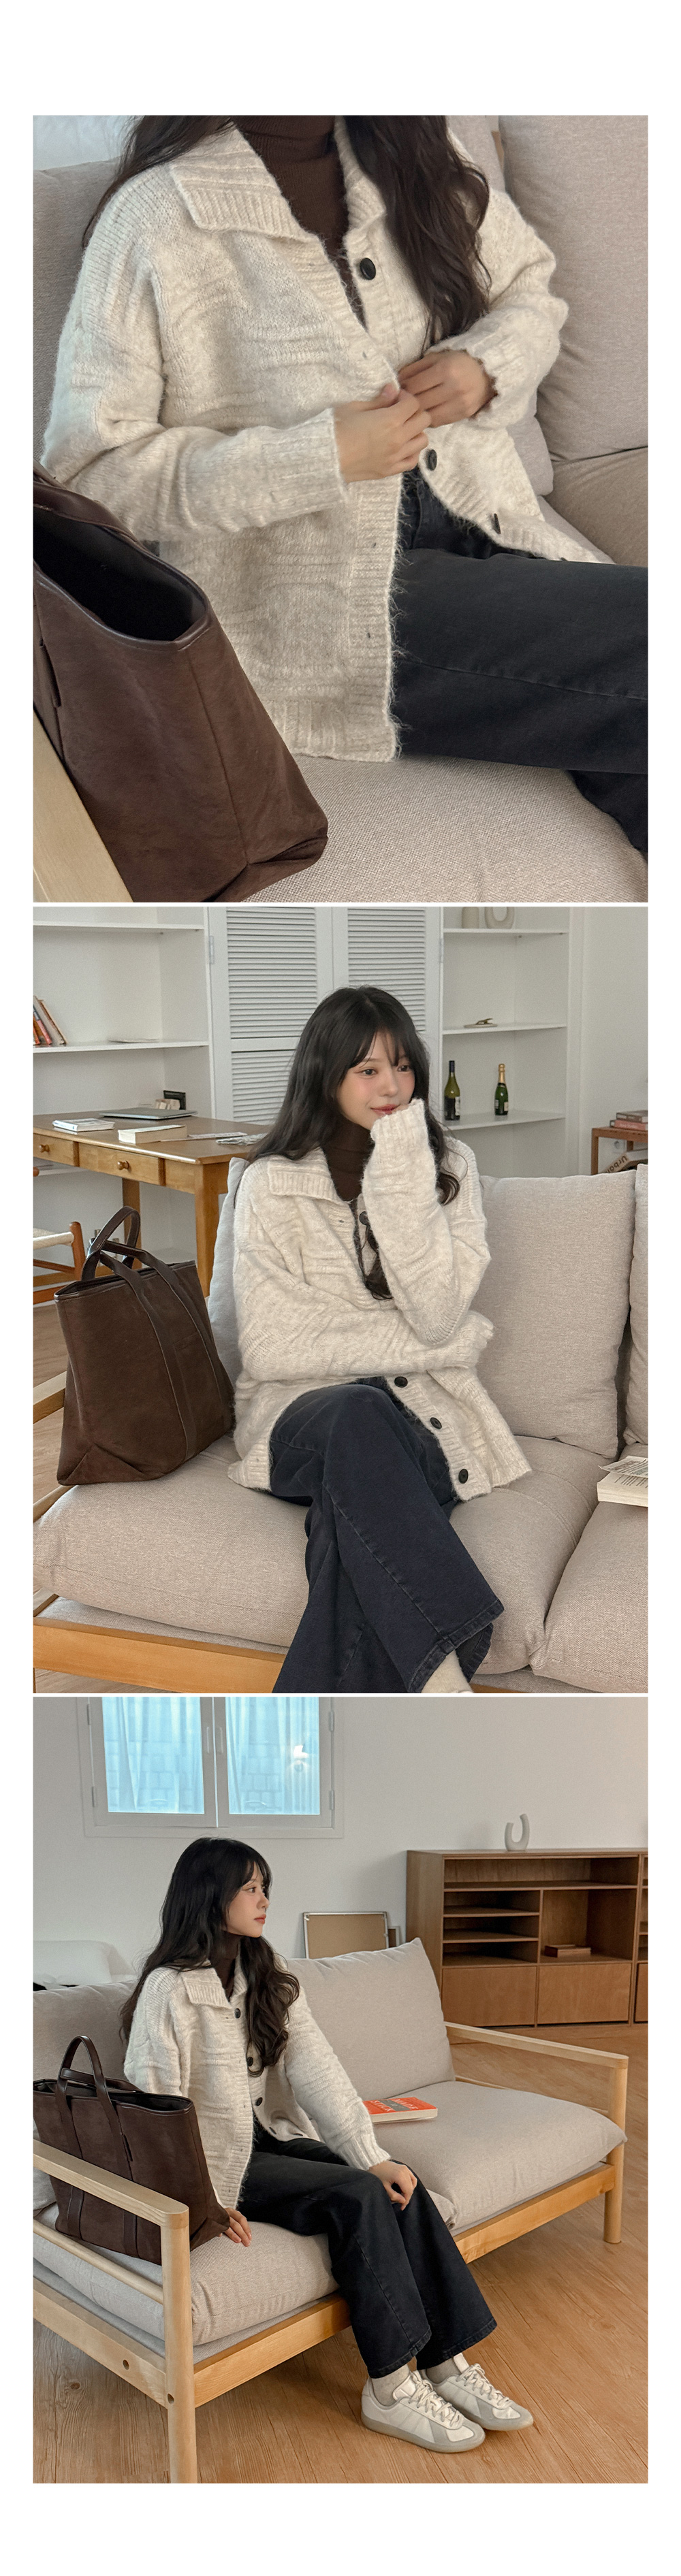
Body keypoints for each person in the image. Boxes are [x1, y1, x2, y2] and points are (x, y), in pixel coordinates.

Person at [43, 116, 647, 855]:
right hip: (323, 599)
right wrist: (317, 455)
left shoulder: (416, 152)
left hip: (486, 522)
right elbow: (91, 475)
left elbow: (529, 291)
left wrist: (485, 365)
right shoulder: (159, 215)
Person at [123, 1836, 533, 2452]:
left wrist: (373, 2155)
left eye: (265, 1887)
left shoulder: (266, 1969)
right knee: (358, 2196)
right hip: (217, 2167)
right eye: (250, 1888)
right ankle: (390, 2387)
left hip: (270, 2140)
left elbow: (319, 2070)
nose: (264, 1899)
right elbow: (154, 2110)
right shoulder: (170, 1989)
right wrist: (202, 2202)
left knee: (398, 2182)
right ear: (210, 1895)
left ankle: (448, 2365)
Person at [226, 982, 528, 1693]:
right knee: (355, 1410)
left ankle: (426, 1688)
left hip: (421, 1419)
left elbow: (436, 1314)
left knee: (347, 1523)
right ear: (325, 1074)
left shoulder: (450, 1168)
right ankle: (446, 1670)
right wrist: (440, 1348)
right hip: (300, 1417)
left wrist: (400, 1175)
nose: (392, 1086)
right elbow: (273, 1345)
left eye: (403, 1065)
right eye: (367, 1069)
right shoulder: (269, 1183)